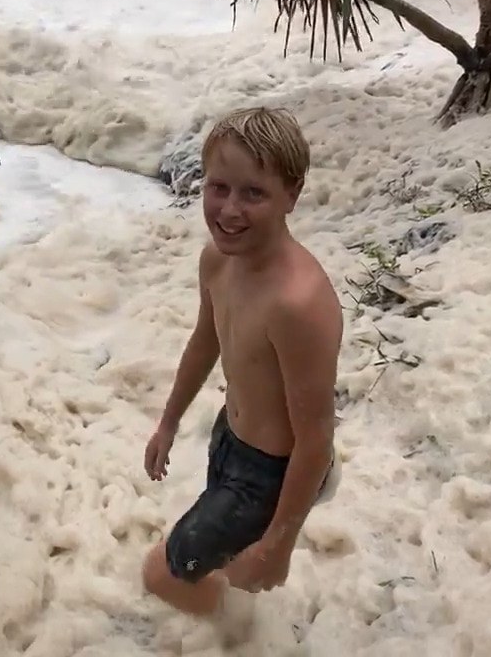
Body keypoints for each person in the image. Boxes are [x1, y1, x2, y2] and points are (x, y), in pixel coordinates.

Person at [140, 106, 343, 618]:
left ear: (291, 195)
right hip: (229, 439)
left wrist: (279, 545)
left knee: (161, 573)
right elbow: (206, 341)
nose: (229, 210)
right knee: (226, 562)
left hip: (272, 473)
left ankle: (240, 635)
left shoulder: (297, 303)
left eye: (254, 193)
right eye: (219, 187)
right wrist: (168, 421)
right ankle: (236, 599)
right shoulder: (217, 259)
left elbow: (316, 440)